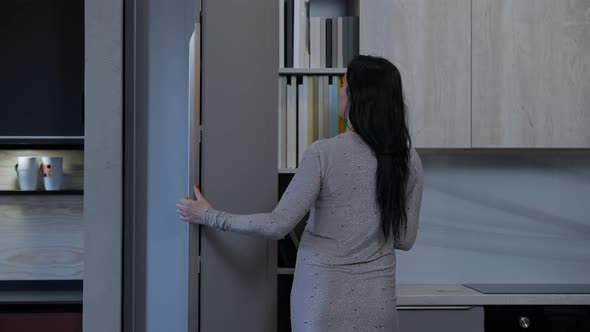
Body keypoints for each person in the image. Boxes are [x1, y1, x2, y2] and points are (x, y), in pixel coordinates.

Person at [176, 55, 423, 331]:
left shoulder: (324, 153)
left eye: (344, 84)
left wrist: (208, 215)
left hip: (322, 298)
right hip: (378, 304)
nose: (340, 91)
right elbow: (404, 238)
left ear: (356, 97)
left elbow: (277, 224)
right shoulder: (408, 160)